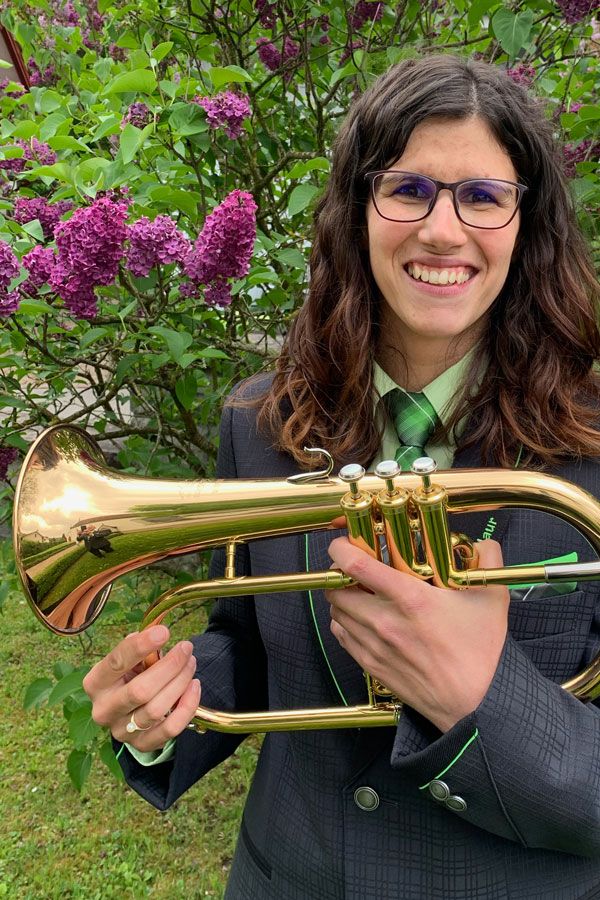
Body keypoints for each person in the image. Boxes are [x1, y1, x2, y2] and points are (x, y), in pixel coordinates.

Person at [83, 55, 600, 899]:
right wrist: (167, 704)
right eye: (408, 189)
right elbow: (248, 639)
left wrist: (480, 696)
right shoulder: (260, 420)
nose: (443, 230)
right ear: (357, 211)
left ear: (526, 221)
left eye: (483, 196)